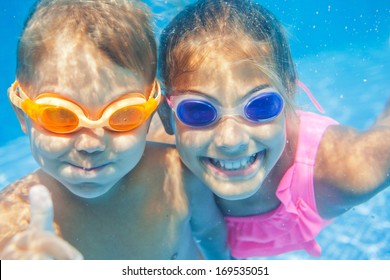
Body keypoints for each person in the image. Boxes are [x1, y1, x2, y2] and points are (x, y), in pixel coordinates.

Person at [156, 0, 390, 258]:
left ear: (289, 93)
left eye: (260, 105)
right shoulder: (155, 174)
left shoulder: (342, 171)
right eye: (198, 111)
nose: (231, 140)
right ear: (166, 115)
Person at [0, 0, 229, 260]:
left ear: (152, 112)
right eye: (60, 115)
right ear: (22, 114)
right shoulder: (14, 224)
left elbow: (214, 240)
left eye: (122, 115)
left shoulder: (179, 177)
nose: (91, 144)